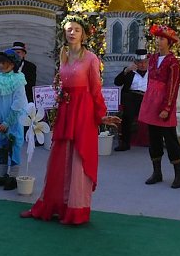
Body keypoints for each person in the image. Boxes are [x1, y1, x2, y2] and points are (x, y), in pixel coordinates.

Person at [20, 16, 118, 225]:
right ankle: (53, 205)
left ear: (83, 34)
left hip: (83, 111)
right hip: (66, 109)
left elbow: (95, 90)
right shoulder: (63, 57)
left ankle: (76, 209)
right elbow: (62, 84)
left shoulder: (91, 59)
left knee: (78, 158)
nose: (72, 32)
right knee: (60, 156)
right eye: (68, 29)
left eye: (76, 29)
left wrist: (101, 115)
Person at [139, 25, 180, 189]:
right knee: (154, 138)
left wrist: (167, 107)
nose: (158, 41)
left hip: (164, 103)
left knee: (170, 139)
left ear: (169, 42)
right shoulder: (151, 58)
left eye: (162, 38)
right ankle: (157, 172)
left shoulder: (173, 63)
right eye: (157, 38)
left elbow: (173, 86)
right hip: (151, 102)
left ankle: (179, 175)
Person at [0, 48, 29, 191]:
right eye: (0, 62)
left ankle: (13, 176)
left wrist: (7, 122)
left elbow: (19, 103)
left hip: (12, 121)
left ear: (12, 64)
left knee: (14, 145)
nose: (1, 66)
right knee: (1, 146)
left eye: (5, 63)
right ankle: (1, 174)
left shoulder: (18, 79)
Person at [113, 48, 149, 151]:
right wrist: (126, 71)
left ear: (148, 62)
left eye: (144, 62)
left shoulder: (152, 72)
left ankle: (153, 141)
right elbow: (117, 82)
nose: (142, 65)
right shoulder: (129, 71)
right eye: (139, 63)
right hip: (131, 97)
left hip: (146, 97)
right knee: (127, 115)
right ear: (135, 62)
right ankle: (125, 143)